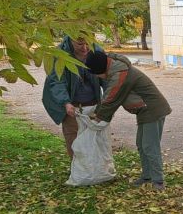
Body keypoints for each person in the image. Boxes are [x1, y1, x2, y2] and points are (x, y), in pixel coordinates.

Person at [85, 50, 172, 190]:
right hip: (144, 110)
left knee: (150, 146)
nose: (98, 77)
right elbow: (111, 97)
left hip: (153, 109)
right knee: (141, 144)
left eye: (97, 74)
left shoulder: (120, 74)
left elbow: (111, 97)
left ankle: (158, 181)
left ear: (101, 69)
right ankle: (147, 176)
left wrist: (99, 116)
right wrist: (99, 114)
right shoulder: (116, 69)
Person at [41, 36, 103, 158]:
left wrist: (107, 100)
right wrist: (66, 102)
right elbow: (57, 81)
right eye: (80, 44)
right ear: (71, 40)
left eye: (87, 43)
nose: (85, 48)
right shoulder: (59, 54)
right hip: (72, 107)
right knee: (74, 140)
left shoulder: (97, 51)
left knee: (95, 140)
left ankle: (94, 172)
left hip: (93, 104)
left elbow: (106, 75)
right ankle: (78, 171)